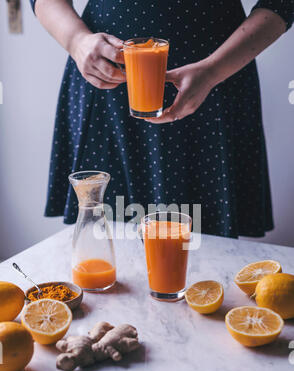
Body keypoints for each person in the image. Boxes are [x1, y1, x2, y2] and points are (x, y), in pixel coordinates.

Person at [30, 0, 294, 237]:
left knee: (203, 255)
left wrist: (214, 70)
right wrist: (77, 41)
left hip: (215, 82)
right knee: (109, 244)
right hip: (105, 84)